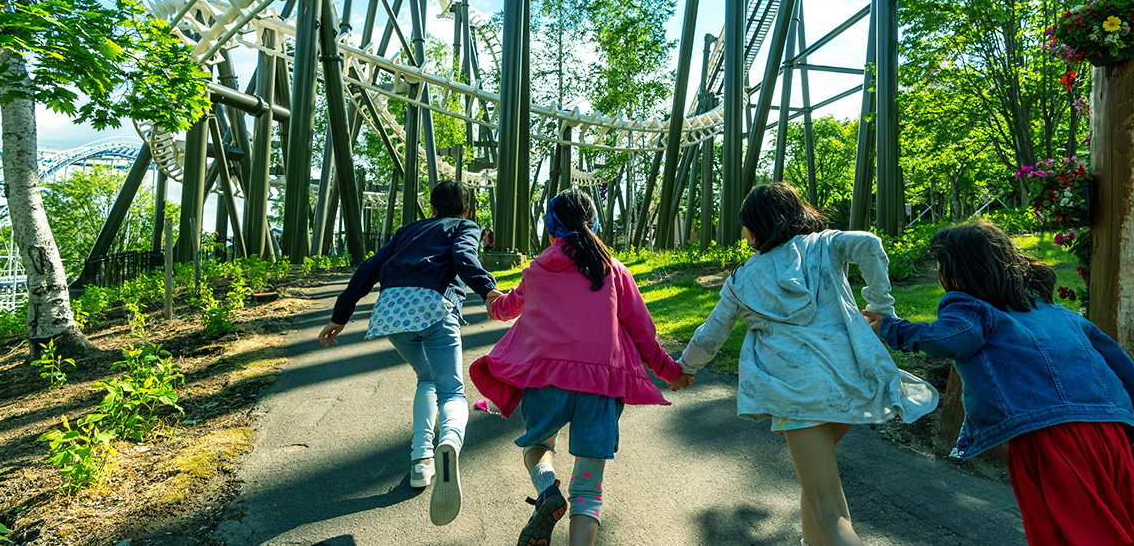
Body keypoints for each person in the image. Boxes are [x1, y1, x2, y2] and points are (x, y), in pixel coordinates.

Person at [862, 221, 1134, 546]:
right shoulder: (1062, 314)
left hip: (1051, 438)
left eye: (941, 267)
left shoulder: (969, 308)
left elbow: (952, 338)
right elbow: (1127, 372)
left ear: (960, 271)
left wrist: (891, 328)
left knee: (1071, 533)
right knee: (1123, 526)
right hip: (1110, 435)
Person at [674, 182, 938, 546]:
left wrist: (685, 368)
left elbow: (710, 334)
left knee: (831, 511)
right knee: (818, 489)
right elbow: (869, 244)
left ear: (756, 227)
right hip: (848, 385)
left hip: (795, 393)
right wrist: (880, 307)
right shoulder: (825, 246)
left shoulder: (742, 279)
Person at [469, 189, 684, 546]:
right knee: (588, 490)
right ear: (595, 225)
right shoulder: (613, 270)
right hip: (602, 384)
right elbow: (643, 333)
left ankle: (546, 490)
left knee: (538, 444)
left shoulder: (537, 270)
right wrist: (673, 373)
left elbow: (507, 308)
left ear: (551, 231)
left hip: (547, 379)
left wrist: (491, 302)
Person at [317, 180, 501, 527]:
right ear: (466, 210)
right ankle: (448, 442)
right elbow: (463, 258)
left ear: (431, 208)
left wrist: (340, 316)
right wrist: (487, 289)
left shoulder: (407, 230)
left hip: (391, 313)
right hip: (434, 306)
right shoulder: (465, 226)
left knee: (426, 378)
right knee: (451, 389)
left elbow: (368, 269)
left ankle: (421, 464)